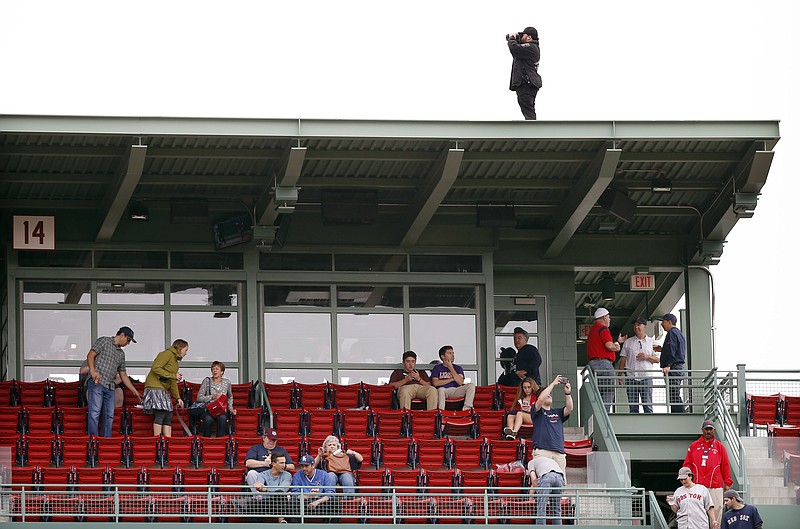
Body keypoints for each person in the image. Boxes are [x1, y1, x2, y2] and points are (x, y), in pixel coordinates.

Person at [86, 326, 142, 437]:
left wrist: (134, 391)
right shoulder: (104, 341)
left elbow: (123, 374)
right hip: (97, 382)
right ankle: (93, 440)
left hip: (110, 386)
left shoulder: (121, 354)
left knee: (109, 415)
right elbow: (91, 355)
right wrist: (93, 372)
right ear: (122, 335)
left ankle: (106, 441)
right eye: (128, 340)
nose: (128, 343)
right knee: (95, 412)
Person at [682, 420, 733, 524]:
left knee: (716, 511)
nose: (708, 431)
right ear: (702, 430)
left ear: (714, 430)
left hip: (715, 485)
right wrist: (686, 479)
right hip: (697, 485)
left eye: (710, 429)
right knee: (698, 512)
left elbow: (725, 465)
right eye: (706, 429)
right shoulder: (694, 446)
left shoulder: (720, 447)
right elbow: (687, 465)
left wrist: (727, 483)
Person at [142, 339, 188, 437]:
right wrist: (173, 375)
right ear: (180, 348)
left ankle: (168, 440)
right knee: (161, 412)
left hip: (163, 388)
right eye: (185, 350)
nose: (186, 353)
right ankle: (157, 439)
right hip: (154, 386)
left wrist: (178, 397)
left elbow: (172, 381)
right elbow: (155, 368)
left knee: (168, 414)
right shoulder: (166, 354)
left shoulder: (175, 363)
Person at [531, 374, 572, 478]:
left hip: (558, 452)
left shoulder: (557, 412)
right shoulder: (537, 411)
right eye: (547, 393)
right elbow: (540, 400)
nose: (549, 395)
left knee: (560, 482)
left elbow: (569, 408)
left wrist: (568, 393)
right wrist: (553, 384)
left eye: (550, 394)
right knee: (543, 480)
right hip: (542, 451)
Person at [618, 316, 660, 413]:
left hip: (646, 377)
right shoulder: (628, 342)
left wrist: (647, 356)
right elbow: (623, 358)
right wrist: (619, 375)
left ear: (645, 326)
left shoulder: (653, 342)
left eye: (639, 325)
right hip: (631, 377)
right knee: (633, 408)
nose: (636, 327)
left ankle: (649, 426)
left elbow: (657, 359)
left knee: (648, 407)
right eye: (635, 325)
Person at [587, 308, 621, 412]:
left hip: (593, 364)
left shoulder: (593, 330)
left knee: (599, 391)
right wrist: (617, 345)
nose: (609, 319)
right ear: (604, 317)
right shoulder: (603, 329)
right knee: (609, 389)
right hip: (604, 364)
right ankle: (604, 414)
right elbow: (609, 346)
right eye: (608, 317)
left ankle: (598, 413)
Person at [506, 26, 542, 120]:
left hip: (527, 83)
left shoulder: (531, 47)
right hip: (527, 83)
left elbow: (515, 49)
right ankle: (531, 128)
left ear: (529, 37)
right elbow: (517, 49)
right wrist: (514, 39)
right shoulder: (529, 49)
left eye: (523, 35)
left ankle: (532, 130)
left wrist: (512, 38)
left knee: (528, 109)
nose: (521, 37)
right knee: (527, 108)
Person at [245, 452, 292, 523]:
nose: (284, 465)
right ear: (273, 464)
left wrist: (266, 489)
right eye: (281, 463)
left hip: (281, 502)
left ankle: (281, 521)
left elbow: (283, 489)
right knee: (252, 505)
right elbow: (259, 484)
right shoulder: (263, 474)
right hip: (267, 502)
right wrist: (258, 485)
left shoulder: (287, 475)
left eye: (284, 463)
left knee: (280, 494)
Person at [195, 360, 237, 437]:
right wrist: (212, 396)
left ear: (222, 372)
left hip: (221, 409)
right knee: (208, 420)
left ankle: (220, 441)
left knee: (222, 418)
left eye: (217, 369)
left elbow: (230, 396)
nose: (214, 371)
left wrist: (230, 408)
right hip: (208, 409)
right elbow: (199, 398)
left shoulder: (227, 382)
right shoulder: (207, 381)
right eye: (213, 369)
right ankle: (206, 441)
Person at [655, 313, 687, 413]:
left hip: (673, 368)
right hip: (678, 367)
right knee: (674, 393)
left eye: (663, 322)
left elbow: (672, 349)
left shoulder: (671, 333)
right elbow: (675, 349)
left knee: (673, 394)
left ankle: (680, 414)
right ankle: (678, 413)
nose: (662, 324)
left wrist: (668, 364)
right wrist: (663, 350)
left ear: (669, 322)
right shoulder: (679, 334)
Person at [430, 345, 476, 410]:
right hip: (444, 391)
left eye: (453, 353)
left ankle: (467, 409)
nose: (453, 355)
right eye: (449, 353)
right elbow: (435, 383)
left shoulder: (457, 368)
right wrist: (452, 379)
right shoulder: (437, 368)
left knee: (471, 385)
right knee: (440, 390)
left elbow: (460, 382)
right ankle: (441, 411)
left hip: (456, 390)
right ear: (443, 356)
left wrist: (451, 368)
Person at [528, 456, 565, 525]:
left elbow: (533, 480)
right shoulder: (548, 460)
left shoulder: (531, 463)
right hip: (560, 477)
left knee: (541, 508)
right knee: (556, 509)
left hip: (546, 477)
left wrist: (531, 496)